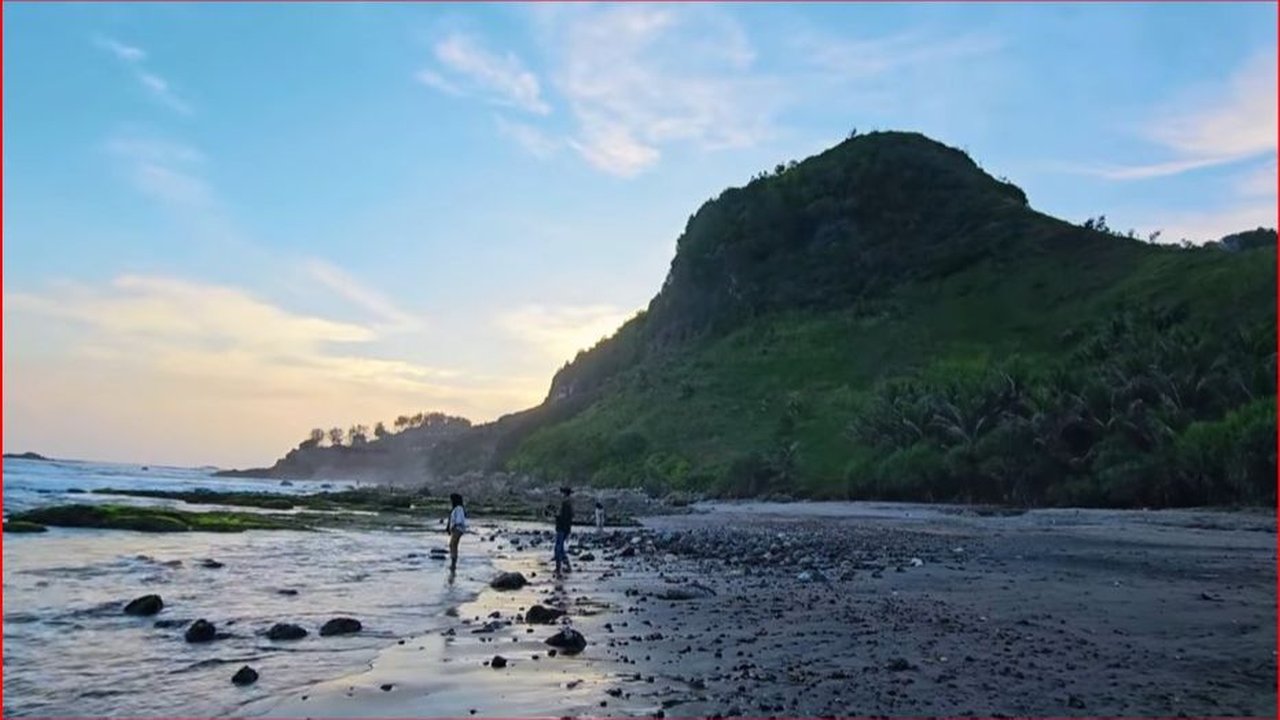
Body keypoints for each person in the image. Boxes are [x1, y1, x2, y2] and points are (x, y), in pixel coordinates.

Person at [553, 486, 574, 574]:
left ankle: (559, 568)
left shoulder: (565, 504)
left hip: (562, 529)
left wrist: (556, 516)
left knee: (558, 549)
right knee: (560, 549)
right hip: (565, 529)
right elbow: (569, 518)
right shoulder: (568, 504)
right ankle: (565, 566)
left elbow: (564, 518)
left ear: (564, 494)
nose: (560, 495)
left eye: (562, 493)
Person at [445, 493, 467, 572]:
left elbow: (459, 520)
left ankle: (453, 562)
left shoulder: (458, 508)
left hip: (457, 529)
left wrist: (453, 527)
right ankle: (453, 562)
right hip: (457, 529)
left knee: (452, 544)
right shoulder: (457, 508)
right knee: (454, 545)